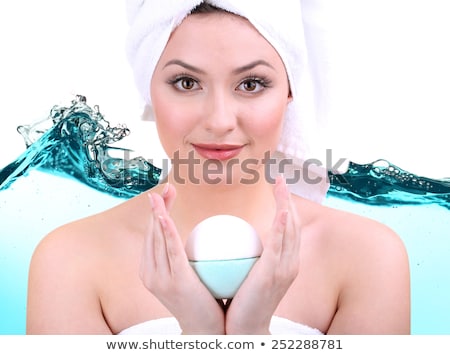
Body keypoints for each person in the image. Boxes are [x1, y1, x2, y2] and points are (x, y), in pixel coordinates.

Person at [26, 0, 410, 334]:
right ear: (149, 88)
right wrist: (201, 331)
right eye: (187, 82)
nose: (220, 120)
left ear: (290, 92)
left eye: (252, 84)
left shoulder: (368, 258)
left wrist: (249, 332)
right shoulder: (69, 261)